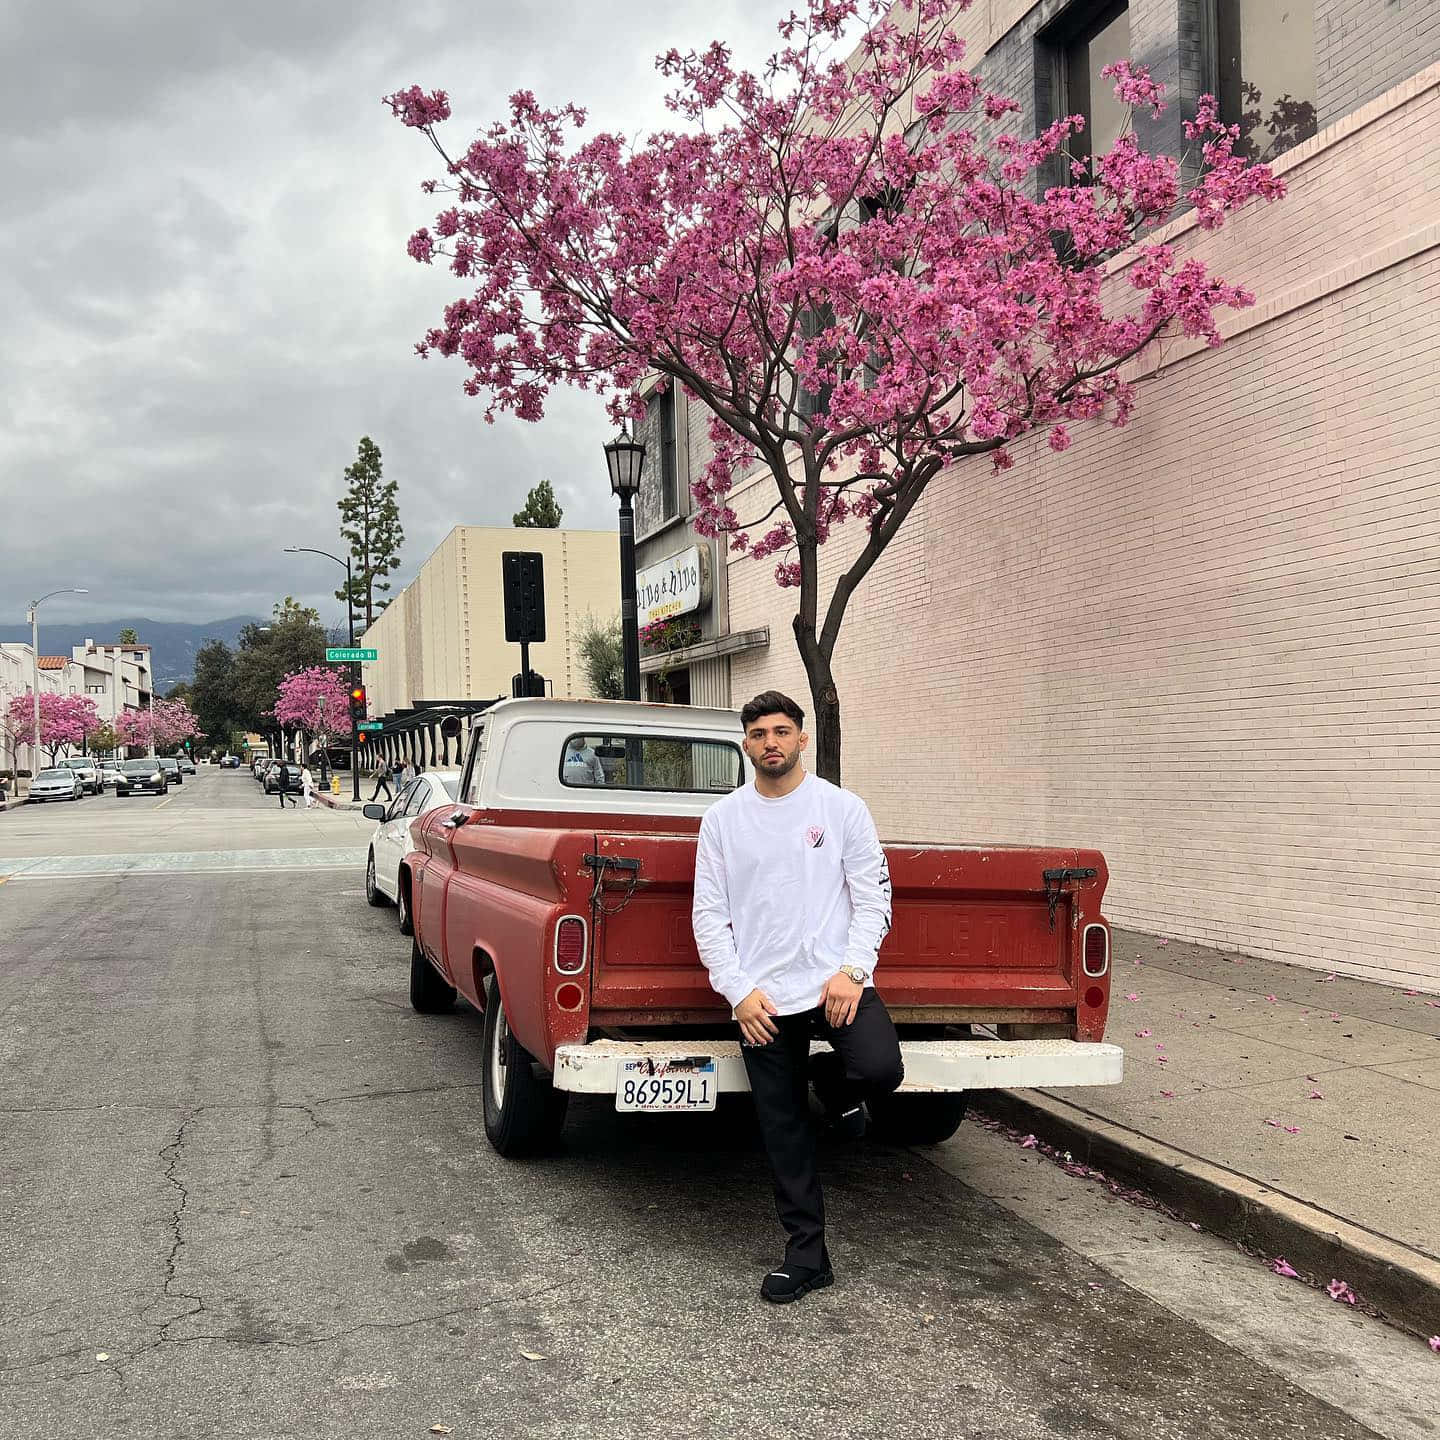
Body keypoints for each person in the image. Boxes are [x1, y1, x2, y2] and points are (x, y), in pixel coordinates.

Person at [692, 690, 900, 1305]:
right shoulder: (723, 820)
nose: (771, 742)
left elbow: (874, 899)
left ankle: (834, 1093)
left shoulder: (841, 809)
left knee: (880, 1068)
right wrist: (738, 993)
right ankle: (807, 1255)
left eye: (782, 731)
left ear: (802, 739)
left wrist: (853, 971)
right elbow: (709, 917)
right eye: (758, 734)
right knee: (782, 1130)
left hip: (835, 984)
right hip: (764, 1000)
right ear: (746, 745)